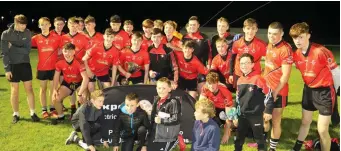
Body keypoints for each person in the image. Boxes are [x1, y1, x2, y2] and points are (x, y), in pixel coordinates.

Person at [289, 22, 340, 151]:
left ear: (308, 36)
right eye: (295, 38)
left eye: (301, 37)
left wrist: (338, 88)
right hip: (308, 91)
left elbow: (336, 71)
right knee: (305, 122)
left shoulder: (321, 51)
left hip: (324, 92)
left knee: (322, 130)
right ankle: (296, 148)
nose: (298, 41)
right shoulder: (296, 54)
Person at [1, 14, 40, 123]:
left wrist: (12, 47)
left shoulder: (27, 32)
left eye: (25, 25)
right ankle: (16, 114)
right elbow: (4, 53)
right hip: (12, 65)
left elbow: (27, 50)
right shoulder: (6, 34)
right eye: (22, 25)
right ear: (16, 23)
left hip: (25, 64)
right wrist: (7, 69)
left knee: (29, 89)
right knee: (14, 91)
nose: (24, 27)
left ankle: (33, 112)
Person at [234, 53, 274, 151]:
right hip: (242, 114)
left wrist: (268, 111)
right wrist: (235, 115)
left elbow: (269, 95)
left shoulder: (258, 79)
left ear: (252, 65)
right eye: (242, 63)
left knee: (259, 138)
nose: (244, 66)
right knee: (239, 137)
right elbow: (237, 99)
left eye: (247, 63)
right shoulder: (239, 80)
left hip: (256, 115)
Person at [263, 22, 293, 151]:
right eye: (269, 33)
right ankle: (263, 140)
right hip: (266, 89)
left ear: (282, 34)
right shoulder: (269, 45)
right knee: (264, 117)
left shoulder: (285, 49)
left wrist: (275, 92)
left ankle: (272, 148)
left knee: (275, 121)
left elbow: (285, 76)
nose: (272, 36)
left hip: (279, 91)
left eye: (275, 34)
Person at [31, 17, 62, 119]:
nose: (44, 27)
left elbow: (63, 48)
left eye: (46, 24)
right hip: (42, 68)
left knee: (53, 89)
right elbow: (24, 43)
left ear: (50, 25)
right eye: (42, 25)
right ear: (39, 26)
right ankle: (44, 109)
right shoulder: (36, 38)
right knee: (43, 89)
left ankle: (52, 108)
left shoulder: (56, 37)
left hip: (54, 68)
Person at [52, 43, 89, 122]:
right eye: (65, 51)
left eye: (70, 52)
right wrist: (55, 89)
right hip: (67, 84)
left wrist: (80, 94)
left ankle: (82, 116)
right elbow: (56, 77)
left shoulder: (79, 63)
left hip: (79, 83)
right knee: (55, 98)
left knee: (84, 99)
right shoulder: (59, 62)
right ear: (62, 51)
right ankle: (61, 116)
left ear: (73, 52)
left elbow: (86, 79)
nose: (67, 54)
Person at [229, 18, 267, 89]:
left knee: (253, 96)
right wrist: (231, 74)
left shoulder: (261, 44)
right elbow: (232, 58)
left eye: (253, 28)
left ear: (256, 30)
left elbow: (269, 60)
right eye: (248, 28)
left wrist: (265, 72)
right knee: (239, 96)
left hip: (254, 74)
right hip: (239, 73)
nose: (250, 31)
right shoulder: (237, 43)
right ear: (244, 29)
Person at [147, 77, 182, 151]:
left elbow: (176, 119)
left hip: (167, 136)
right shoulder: (156, 100)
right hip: (155, 133)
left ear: (169, 89)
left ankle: (176, 140)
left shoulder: (173, 102)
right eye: (159, 88)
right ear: (156, 88)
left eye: (164, 88)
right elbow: (154, 117)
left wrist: (161, 121)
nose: (161, 91)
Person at [199, 72, 233, 144]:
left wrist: (226, 134)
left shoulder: (225, 92)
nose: (211, 86)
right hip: (213, 109)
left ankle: (230, 127)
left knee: (234, 121)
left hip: (224, 109)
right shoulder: (205, 88)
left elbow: (229, 116)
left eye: (213, 83)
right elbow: (200, 105)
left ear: (218, 83)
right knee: (202, 108)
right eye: (209, 83)